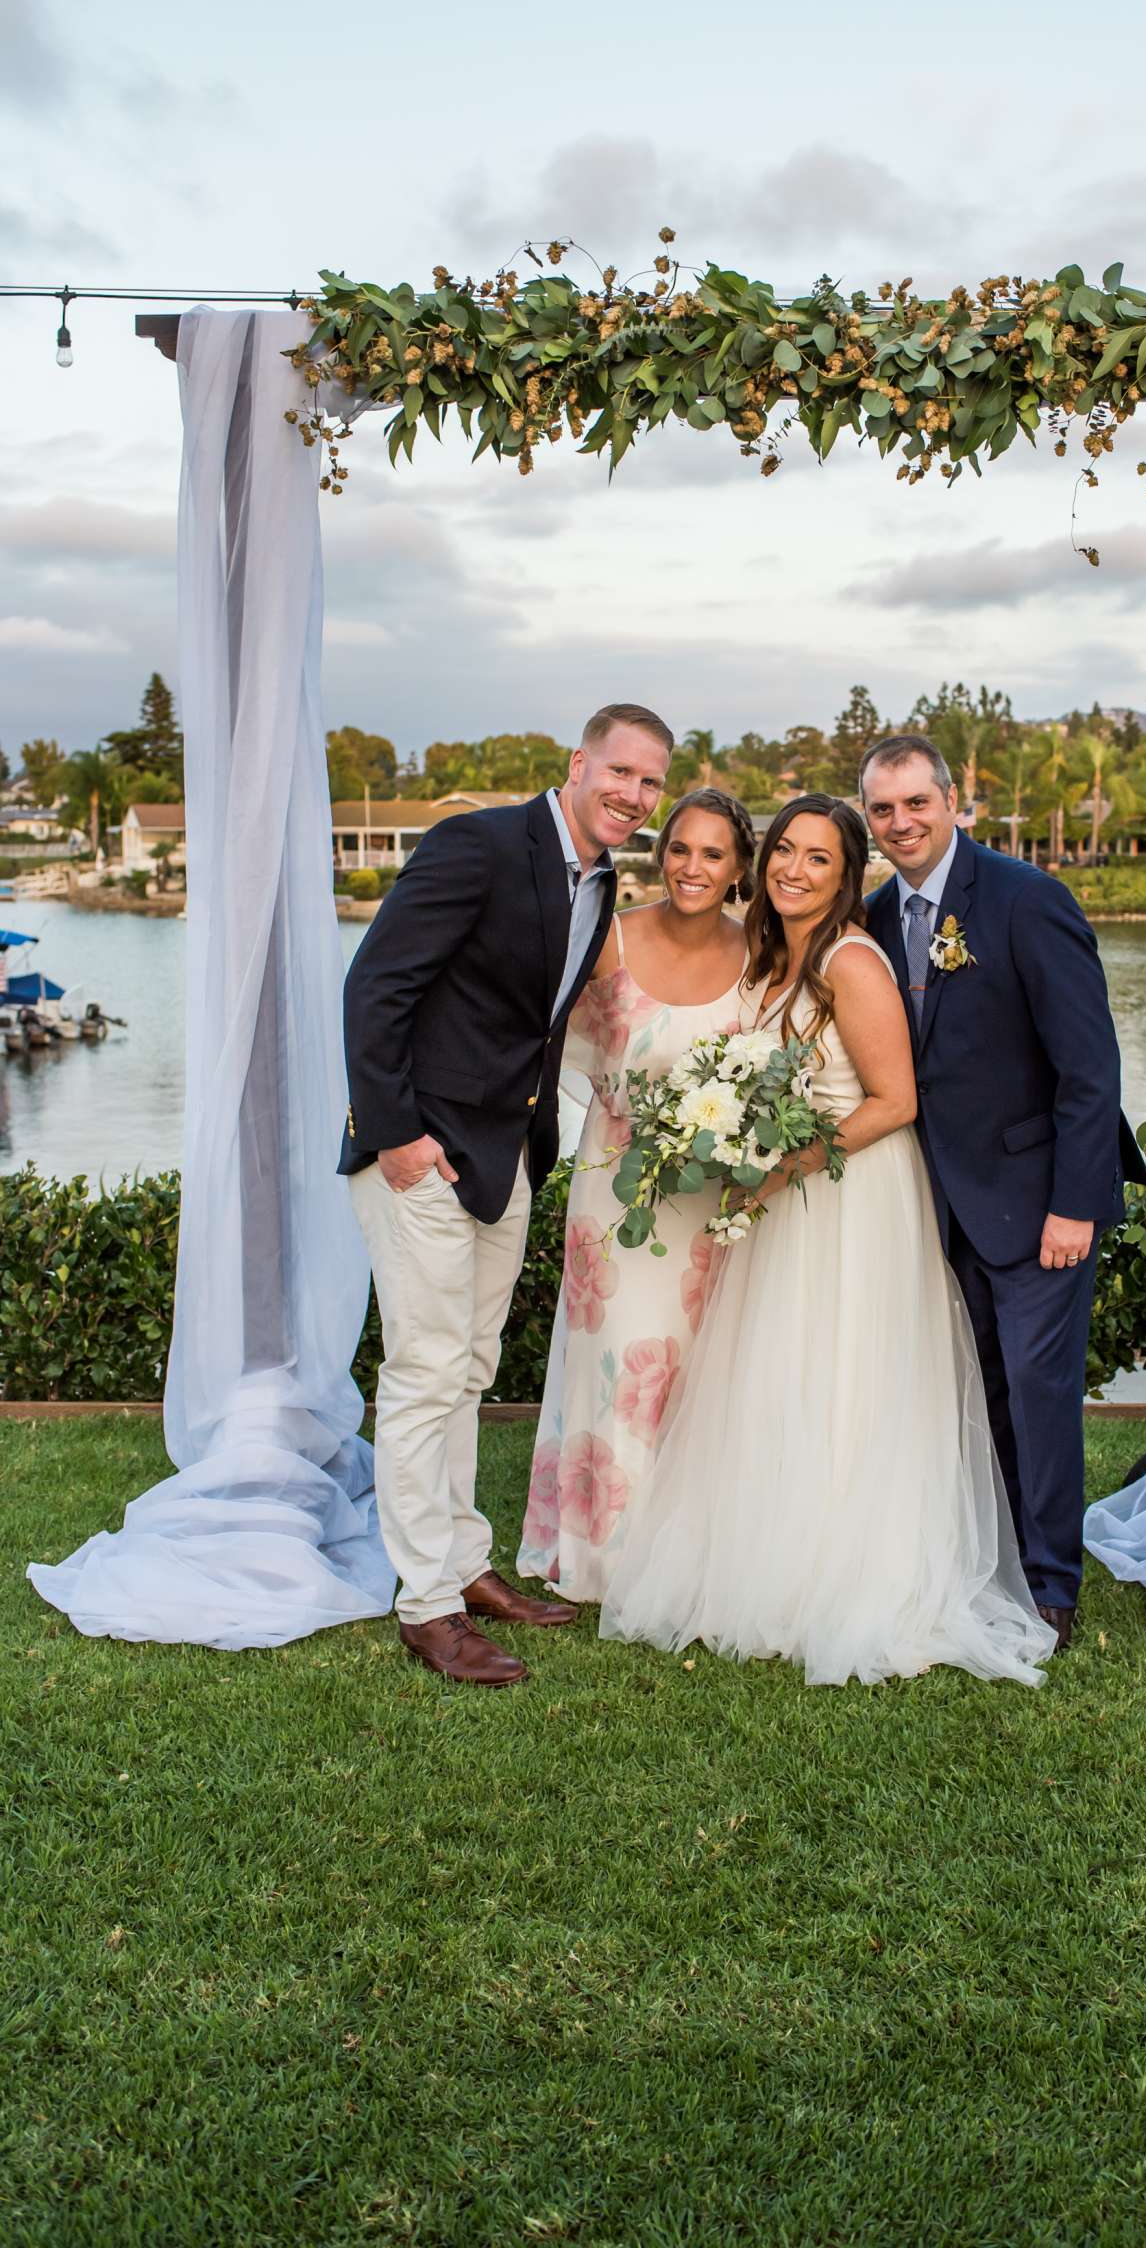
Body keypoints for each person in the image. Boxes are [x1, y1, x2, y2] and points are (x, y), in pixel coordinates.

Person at [600, 795, 1055, 1688]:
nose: (793, 870)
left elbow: (894, 1101)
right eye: (783, 853)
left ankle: (858, 1571)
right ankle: (777, 1558)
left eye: (818, 859)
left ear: (848, 877)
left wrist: (783, 1166)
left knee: (851, 1372)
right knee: (783, 1372)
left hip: (853, 1195)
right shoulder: (770, 955)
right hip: (788, 1194)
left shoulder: (851, 960)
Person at [340, 704, 674, 1685]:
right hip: (422, 1154)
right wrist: (393, 1133)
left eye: (651, 782)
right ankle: (426, 1608)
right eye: (620, 772)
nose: (633, 795)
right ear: (578, 764)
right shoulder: (476, 844)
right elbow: (377, 988)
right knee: (422, 1372)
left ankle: (463, 1563)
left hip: (510, 1156)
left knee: (471, 1368)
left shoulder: (601, 881)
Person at [859, 734, 1146, 1646]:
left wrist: (1075, 1203)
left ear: (953, 801)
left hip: (1035, 1206)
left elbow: (1090, 1072)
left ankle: (1051, 1586)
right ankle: (999, 1553)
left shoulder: (1028, 901)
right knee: (978, 1388)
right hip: (933, 1206)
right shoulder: (869, 919)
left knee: (1037, 1390)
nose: (901, 822)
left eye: (916, 802)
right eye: (882, 809)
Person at [519, 788, 755, 1601]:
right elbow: (560, 1043)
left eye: (713, 854)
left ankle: (691, 1548)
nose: (692, 867)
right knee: (618, 1361)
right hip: (615, 1194)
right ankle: (603, 1553)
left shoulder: (760, 951)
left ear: (737, 868)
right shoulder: (609, 937)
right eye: (680, 848)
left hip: (714, 1206)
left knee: (699, 1370)